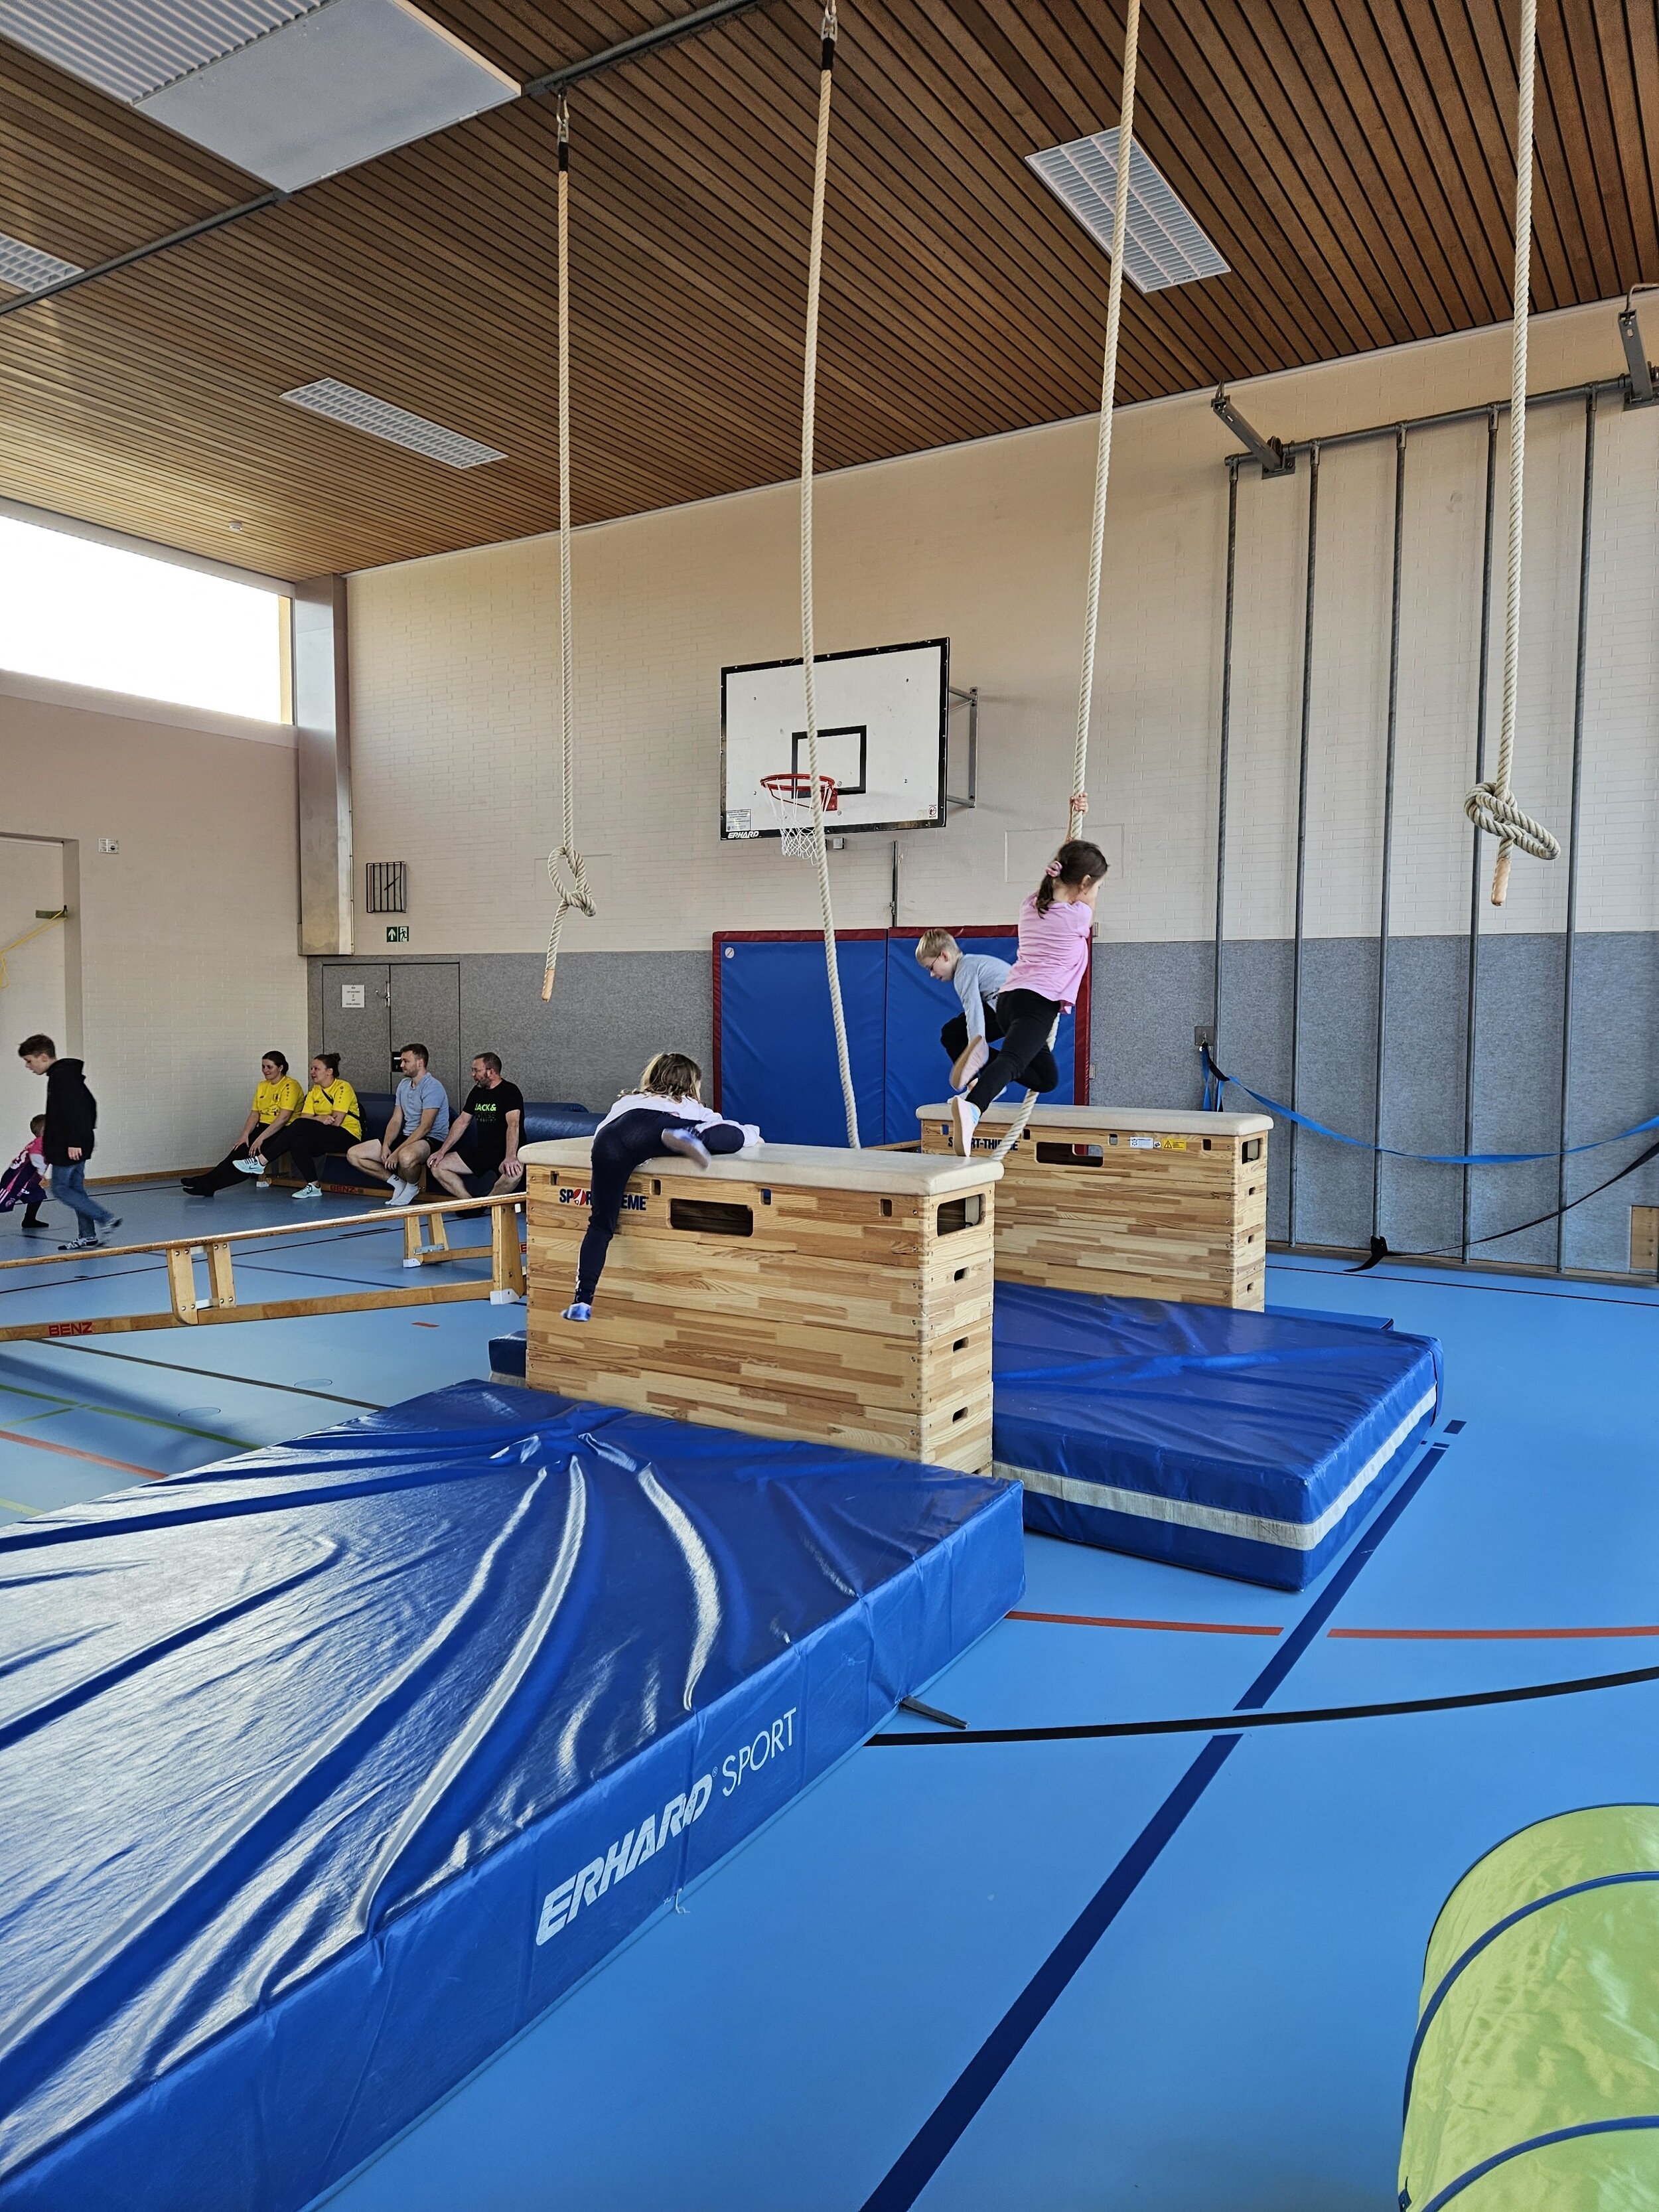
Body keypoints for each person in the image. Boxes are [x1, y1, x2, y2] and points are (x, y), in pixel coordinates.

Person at [564, 1052, 759, 1323]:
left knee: (600, 1225)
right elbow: (725, 1127)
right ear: (691, 1084)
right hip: (658, 1127)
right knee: (733, 1134)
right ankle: (692, 1134)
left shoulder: (629, 1100)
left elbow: (603, 1130)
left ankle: (582, 1300)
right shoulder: (689, 1104)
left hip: (610, 1139)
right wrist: (751, 1134)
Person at [950, 829, 1107, 1157]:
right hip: (1037, 1003)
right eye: (1097, 886)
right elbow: (1083, 896)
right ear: (1084, 883)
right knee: (1013, 1061)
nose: (1096, 893)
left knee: (1046, 1079)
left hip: (1008, 1001)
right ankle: (973, 1106)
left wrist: (1072, 834)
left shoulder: (1031, 905)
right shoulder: (1077, 916)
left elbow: (1065, 872)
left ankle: (984, 1060)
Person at [915, 928, 1059, 1099]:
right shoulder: (976, 962)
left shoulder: (964, 969)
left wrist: (975, 1049)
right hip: (1026, 1013)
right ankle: (995, 1078)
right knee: (1046, 1080)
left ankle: (978, 1085)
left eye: (931, 967)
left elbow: (973, 1010)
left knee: (951, 1034)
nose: (932, 974)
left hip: (1005, 1007)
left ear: (944, 956)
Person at [15, 1033, 120, 1251]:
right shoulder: (65, 1074)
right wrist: (84, 1136)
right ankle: (88, 1235)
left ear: (43, 1057)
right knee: (75, 1190)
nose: (28, 1066)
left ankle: (105, 1218)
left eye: (29, 1061)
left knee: (61, 1189)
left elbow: (75, 1110)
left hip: (68, 1146)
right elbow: (90, 1105)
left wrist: (75, 1140)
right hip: (75, 1142)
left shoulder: (61, 1076)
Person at [182, 1053, 302, 1197]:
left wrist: (260, 1139)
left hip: (282, 1130)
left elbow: (283, 1118)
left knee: (248, 1162)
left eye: (269, 1067)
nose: (265, 1070)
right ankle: (206, 1182)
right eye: (263, 1067)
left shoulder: (290, 1086)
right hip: (263, 1128)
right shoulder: (262, 1086)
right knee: (237, 1153)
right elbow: (255, 1114)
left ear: (280, 1068)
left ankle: (208, 1184)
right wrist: (245, 1135)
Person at [346, 1043, 449, 1205]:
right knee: (354, 1154)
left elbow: (426, 1127)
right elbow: (396, 1120)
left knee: (405, 1157)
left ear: (420, 1063)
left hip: (430, 1138)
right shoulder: (403, 1085)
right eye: (401, 1061)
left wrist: (397, 1152)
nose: (401, 1065)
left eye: (406, 1061)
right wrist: (387, 1145)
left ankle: (412, 1186)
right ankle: (398, 1183)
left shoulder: (433, 1087)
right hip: (407, 1136)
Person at [265, 1053, 364, 1199]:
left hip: (347, 1135)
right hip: (325, 1135)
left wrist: (316, 1120)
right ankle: (313, 1185)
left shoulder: (343, 1087)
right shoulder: (314, 1091)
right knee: (297, 1142)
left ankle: (263, 1160)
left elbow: (336, 1122)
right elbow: (305, 1118)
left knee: (299, 1125)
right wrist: (321, 1118)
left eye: (316, 1069)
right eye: (311, 1069)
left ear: (329, 1071)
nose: (312, 1072)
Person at [428, 1053, 524, 1201]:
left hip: (505, 1152)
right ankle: (469, 1203)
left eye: (476, 1071)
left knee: (514, 1174)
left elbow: (513, 1124)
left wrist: (511, 1156)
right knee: (437, 1166)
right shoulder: (477, 1092)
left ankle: (485, 1204)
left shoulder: (510, 1091)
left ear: (491, 1072)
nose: (473, 1075)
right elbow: (462, 1122)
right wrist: (442, 1151)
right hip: (483, 1152)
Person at [0, 1115, 50, 1233]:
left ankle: (29, 1220)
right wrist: (41, 1170)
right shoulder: (40, 1141)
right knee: (2, 1201)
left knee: (37, 1195)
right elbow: (35, 1155)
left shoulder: (45, 1142)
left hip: (30, 1181)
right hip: (16, 1180)